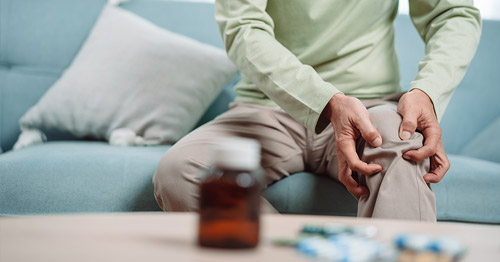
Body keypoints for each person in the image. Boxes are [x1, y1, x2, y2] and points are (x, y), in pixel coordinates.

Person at [153, 0, 481, 221]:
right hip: (267, 108)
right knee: (179, 171)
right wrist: (327, 102)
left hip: (370, 108)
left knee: (403, 147)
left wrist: (428, 91)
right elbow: (243, 28)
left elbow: (451, 13)